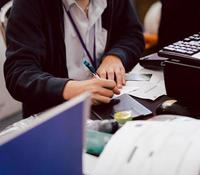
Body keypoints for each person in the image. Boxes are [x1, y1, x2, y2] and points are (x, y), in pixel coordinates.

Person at [4, 0, 145, 118]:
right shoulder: (30, 4)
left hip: (107, 104)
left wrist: (115, 56)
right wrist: (69, 89)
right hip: (56, 115)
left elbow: (132, 34)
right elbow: (19, 74)